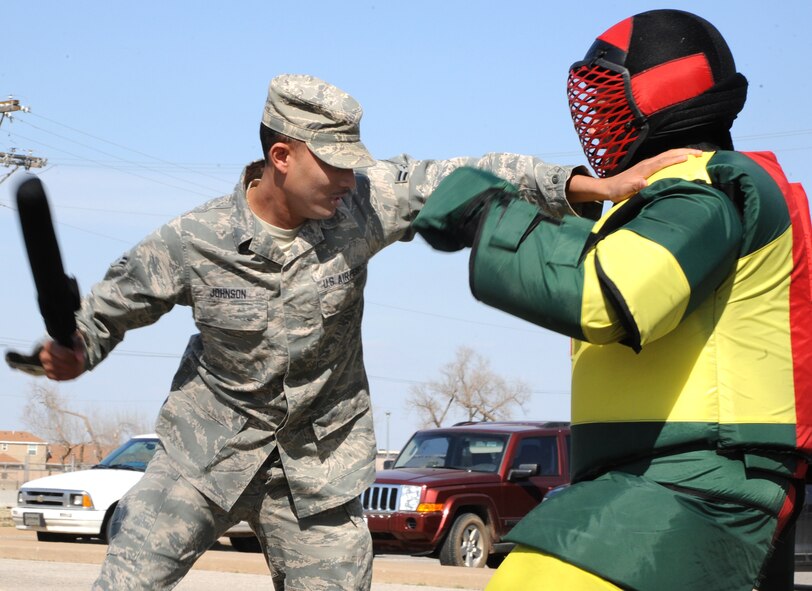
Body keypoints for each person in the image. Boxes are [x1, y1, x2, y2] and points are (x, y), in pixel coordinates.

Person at [28, 73, 694, 590]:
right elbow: (109, 310)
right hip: (205, 453)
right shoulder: (194, 239)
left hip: (316, 469)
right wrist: (71, 352)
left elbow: (473, 175)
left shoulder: (366, 202)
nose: (349, 179)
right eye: (334, 163)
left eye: (354, 162)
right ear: (282, 155)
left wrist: (593, 185)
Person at [413, 9, 811, 591]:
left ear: (667, 92)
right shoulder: (666, 200)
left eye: (607, 96)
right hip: (652, 479)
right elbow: (603, 262)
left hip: (701, 484)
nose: (595, 116)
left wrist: (486, 212)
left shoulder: (704, 193)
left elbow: (606, 295)